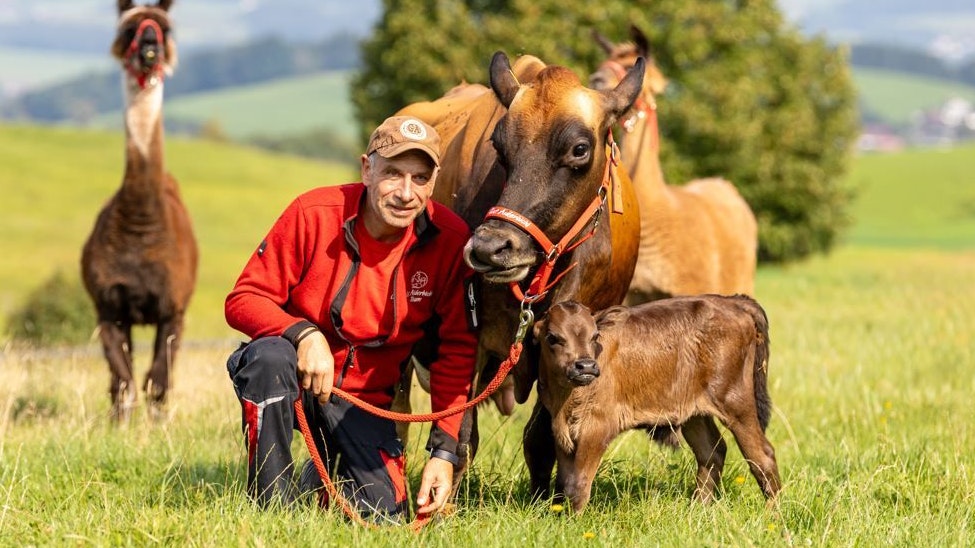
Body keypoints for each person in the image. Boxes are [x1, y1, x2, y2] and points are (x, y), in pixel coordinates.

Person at [224, 115, 478, 522]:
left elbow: (458, 350)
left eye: (420, 178)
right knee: (268, 358)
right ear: (366, 168)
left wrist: (444, 452)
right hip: (297, 375)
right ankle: (270, 507)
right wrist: (304, 334)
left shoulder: (450, 240)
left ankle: (322, 473)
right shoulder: (313, 212)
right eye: (393, 174)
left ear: (433, 183)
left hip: (366, 401)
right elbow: (243, 298)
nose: (405, 193)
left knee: (384, 514)